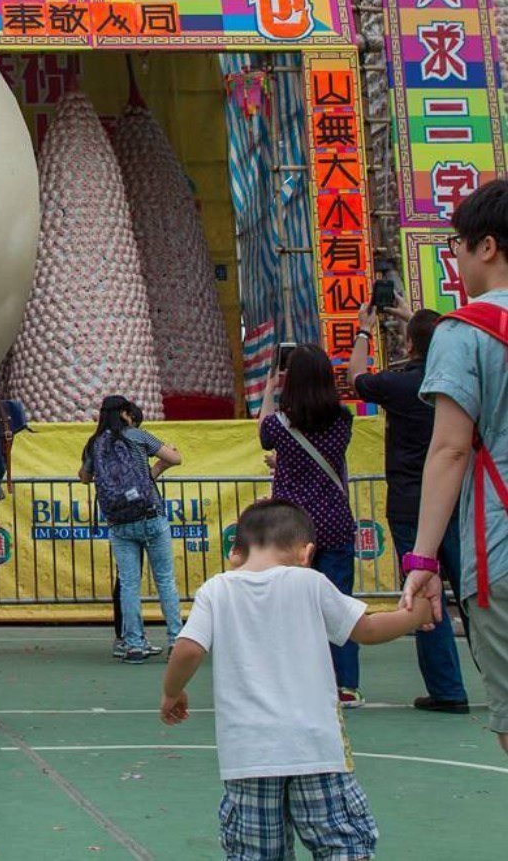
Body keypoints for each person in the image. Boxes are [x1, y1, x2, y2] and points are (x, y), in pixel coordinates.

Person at [162, 500, 432, 861]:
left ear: (234, 552)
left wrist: (172, 692)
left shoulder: (216, 590)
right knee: (341, 843)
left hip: (248, 754)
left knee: (255, 851)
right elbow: (366, 630)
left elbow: (188, 650)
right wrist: (417, 615)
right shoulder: (311, 582)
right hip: (315, 748)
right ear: (306, 552)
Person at [403, 177, 508, 755]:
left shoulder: (464, 331)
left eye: (458, 246)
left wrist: (423, 557)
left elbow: (449, 449)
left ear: (486, 247)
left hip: (500, 549)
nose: (458, 260)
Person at [349, 299, 469, 713]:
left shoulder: (400, 386)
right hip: (458, 498)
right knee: (473, 593)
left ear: (410, 344)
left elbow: (356, 378)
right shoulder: (455, 380)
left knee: (423, 593)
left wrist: (365, 331)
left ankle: (448, 689)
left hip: (410, 504)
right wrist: (411, 316)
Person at [258, 345, 363, 707]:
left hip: (291, 527)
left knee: (289, 606)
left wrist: (271, 387)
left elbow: (263, 433)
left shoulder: (280, 426)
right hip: (334, 522)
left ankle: (296, 683)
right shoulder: (343, 420)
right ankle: (345, 685)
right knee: (339, 606)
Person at [79, 395, 184, 664]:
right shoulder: (138, 436)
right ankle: (175, 640)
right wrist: (160, 465)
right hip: (151, 514)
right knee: (165, 580)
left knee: (129, 584)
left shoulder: (94, 444)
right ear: (125, 413)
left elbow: (84, 476)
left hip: (120, 522)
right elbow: (175, 458)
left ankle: (134, 644)